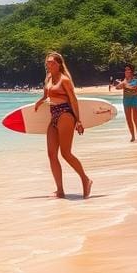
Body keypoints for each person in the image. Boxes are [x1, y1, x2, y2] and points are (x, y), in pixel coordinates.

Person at [33, 51, 92, 199]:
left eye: (52, 62)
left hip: (65, 113)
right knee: (51, 154)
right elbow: (47, 95)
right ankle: (60, 190)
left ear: (59, 64)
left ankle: (86, 180)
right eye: (48, 62)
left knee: (65, 153)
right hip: (53, 114)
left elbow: (73, 100)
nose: (49, 64)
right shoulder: (48, 78)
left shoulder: (64, 80)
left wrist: (78, 120)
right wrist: (40, 101)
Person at [116, 64, 137, 142]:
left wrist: (135, 88)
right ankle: (133, 136)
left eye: (128, 70)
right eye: (125, 70)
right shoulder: (124, 82)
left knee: (136, 119)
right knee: (128, 119)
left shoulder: (136, 81)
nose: (126, 71)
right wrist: (124, 83)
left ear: (131, 72)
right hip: (126, 101)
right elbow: (117, 87)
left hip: (135, 100)